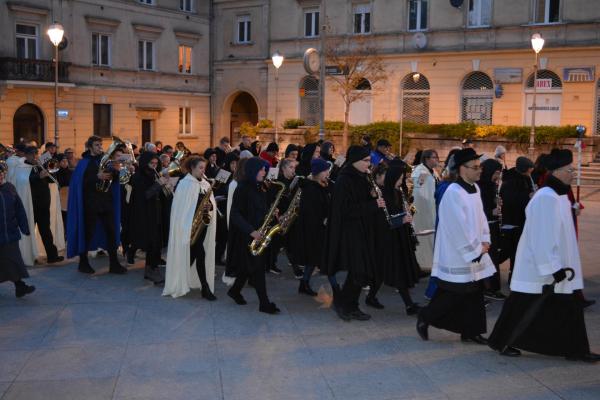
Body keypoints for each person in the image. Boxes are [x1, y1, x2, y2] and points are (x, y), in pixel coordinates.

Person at [488, 149, 599, 362]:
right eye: (569, 169)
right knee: (521, 306)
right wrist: (553, 267)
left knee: (568, 308)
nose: (573, 172)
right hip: (540, 267)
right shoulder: (545, 197)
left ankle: (575, 349)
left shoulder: (558, 196)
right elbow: (542, 236)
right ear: (556, 171)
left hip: (556, 265)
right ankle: (501, 340)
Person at [417, 148, 496, 344]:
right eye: (475, 167)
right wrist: (476, 250)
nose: (480, 171)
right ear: (462, 168)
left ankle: (471, 331)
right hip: (458, 252)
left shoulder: (475, 189)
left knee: (474, 293)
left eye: (480, 167)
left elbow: (481, 218)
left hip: (475, 249)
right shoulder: (453, 192)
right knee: (454, 293)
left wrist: (486, 240)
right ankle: (425, 317)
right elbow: (456, 227)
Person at [325, 145, 386, 321]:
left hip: (363, 230)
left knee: (360, 272)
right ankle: (345, 305)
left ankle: (350, 305)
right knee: (358, 271)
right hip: (350, 233)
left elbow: (361, 201)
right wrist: (372, 205)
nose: (369, 164)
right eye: (365, 161)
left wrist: (372, 195)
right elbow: (344, 210)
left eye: (369, 160)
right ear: (354, 161)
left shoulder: (362, 177)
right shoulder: (344, 180)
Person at [226, 157, 280, 314]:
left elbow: (259, 208)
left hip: (258, 232)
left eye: (265, 169)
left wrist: (272, 210)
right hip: (246, 234)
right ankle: (264, 304)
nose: (264, 172)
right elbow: (235, 215)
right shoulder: (242, 188)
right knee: (257, 267)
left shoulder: (260, 186)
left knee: (248, 266)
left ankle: (235, 291)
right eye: (262, 169)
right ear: (252, 170)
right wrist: (252, 231)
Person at [67, 136, 127, 274]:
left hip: (106, 202)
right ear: (89, 147)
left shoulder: (106, 160)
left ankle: (114, 264)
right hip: (90, 204)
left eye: (100, 144)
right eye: (96, 145)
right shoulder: (84, 163)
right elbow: (78, 183)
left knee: (112, 232)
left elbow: (116, 179)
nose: (100, 147)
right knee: (87, 233)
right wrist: (96, 177)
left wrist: (117, 170)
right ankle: (83, 263)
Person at [368, 162, 421, 314]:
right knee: (397, 270)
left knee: (383, 270)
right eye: (399, 178)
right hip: (389, 237)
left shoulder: (397, 192)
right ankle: (409, 305)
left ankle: (371, 296)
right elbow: (382, 220)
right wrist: (401, 220)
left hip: (399, 235)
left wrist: (409, 213)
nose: (401, 181)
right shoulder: (383, 193)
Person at [163, 156, 217, 299]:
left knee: (192, 255)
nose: (202, 171)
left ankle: (177, 279)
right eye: (200, 168)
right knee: (200, 254)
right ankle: (204, 288)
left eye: (204, 168)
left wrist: (209, 206)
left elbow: (211, 205)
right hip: (187, 227)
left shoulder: (205, 184)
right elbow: (180, 209)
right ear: (192, 168)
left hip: (202, 225)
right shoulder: (185, 184)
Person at [288, 158, 331, 295]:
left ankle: (304, 283)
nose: (327, 173)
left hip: (317, 228)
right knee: (314, 258)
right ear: (318, 173)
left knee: (313, 259)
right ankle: (305, 283)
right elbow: (312, 211)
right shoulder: (311, 188)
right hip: (313, 229)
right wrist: (323, 218)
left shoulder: (320, 185)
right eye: (325, 171)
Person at [129, 152, 167, 284]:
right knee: (151, 242)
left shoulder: (153, 175)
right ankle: (151, 269)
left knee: (156, 241)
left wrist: (166, 186)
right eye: (152, 164)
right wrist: (158, 185)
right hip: (144, 214)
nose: (154, 166)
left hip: (155, 212)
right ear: (145, 163)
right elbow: (144, 195)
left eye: (156, 164)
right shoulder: (138, 177)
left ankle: (152, 268)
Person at [0, 162, 36, 298]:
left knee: (14, 260)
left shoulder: (9, 188)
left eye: (2, 174)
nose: (0, 176)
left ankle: (20, 287)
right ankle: (19, 286)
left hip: (10, 234)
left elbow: (19, 209)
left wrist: (24, 227)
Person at [23, 146, 64, 263]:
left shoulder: (39, 165)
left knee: (46, 230)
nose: (35, 156)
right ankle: (30, 256)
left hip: (43, 204)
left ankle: (52, 256)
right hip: (31, 205)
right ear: (26, 155)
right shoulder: (23, 167)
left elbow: (51, 180)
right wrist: (38, 176)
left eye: (36, 154)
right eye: (32, 154)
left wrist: (50, 170)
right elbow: (25, 180)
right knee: (29, 231)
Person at [500, 156, 535, 282]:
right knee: (511, 250)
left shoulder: (523, 178)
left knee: (514, 250)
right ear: (525, 169)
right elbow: (511, 200)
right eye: (530, 170)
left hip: (518, 220)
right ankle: (512, 277)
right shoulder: (512, 180)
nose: (531, 172)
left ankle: (514, 276)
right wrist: (528, 196)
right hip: (513, 221)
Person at [477, 159, 506, 300]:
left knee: (493, 258)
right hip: (485, 226)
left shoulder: (491, 185)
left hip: (492, 225)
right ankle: (487, 288)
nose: (498, 176)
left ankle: (491, 287)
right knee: (486, 258)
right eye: (496, 173)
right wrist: (491, 210)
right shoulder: (480, 186)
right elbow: (478, 209)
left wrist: (496, 202)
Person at [411, 149, 439, 273]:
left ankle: (427, 264)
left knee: (429, 238)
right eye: (434, 157)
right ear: (427, 159)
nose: (437, 159)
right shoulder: (421, 172)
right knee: (423, 237)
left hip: (431, 208)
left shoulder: (433, 172)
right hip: (422, 211)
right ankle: (420, 265)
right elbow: (418, 191)